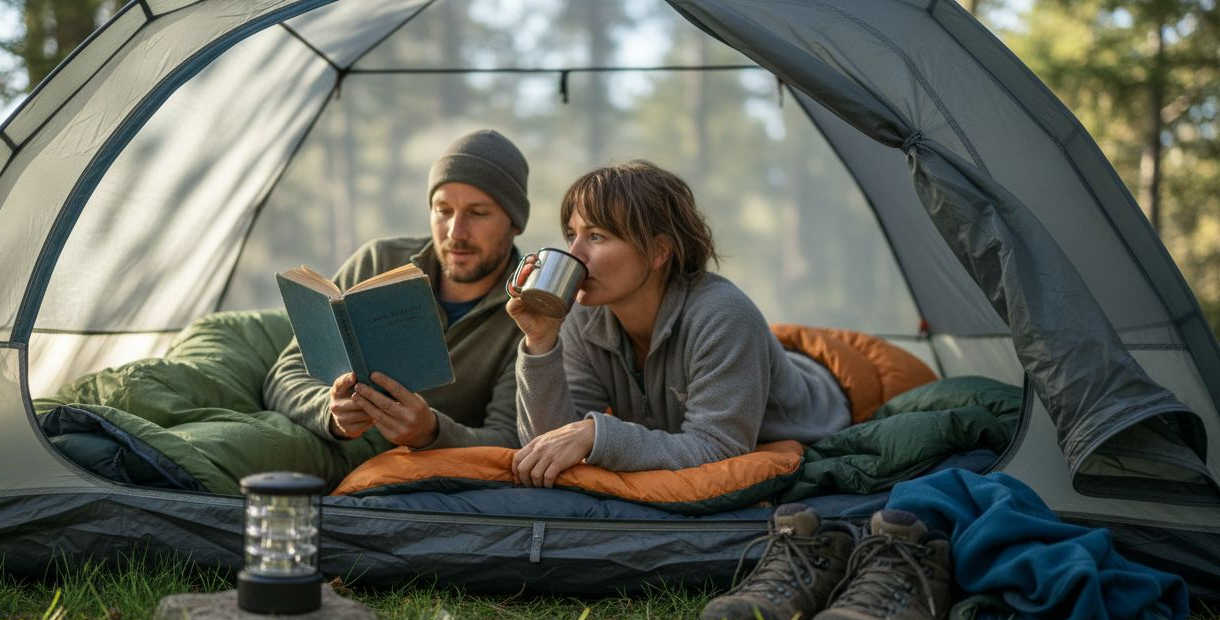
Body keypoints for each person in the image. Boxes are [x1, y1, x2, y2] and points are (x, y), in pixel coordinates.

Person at [507, 160, 851, 488]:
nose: (574, 253)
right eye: (571, 235)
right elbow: (547, 448)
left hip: (816, 419)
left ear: (658, 251)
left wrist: (598, 435)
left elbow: (718, 449)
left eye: (596, 236)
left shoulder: (723, 315)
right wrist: (541, 343)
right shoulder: (583, 317)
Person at [264, 129, 529, 485]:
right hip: (332, 450)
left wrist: (431, 433)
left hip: (420, 479)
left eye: (478, 213)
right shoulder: (379, 263)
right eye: (443, 210)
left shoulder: (529, 311)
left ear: (515, 223)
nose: (455, 232)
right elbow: (284, 375)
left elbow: (512, 440)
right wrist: (331, 411)